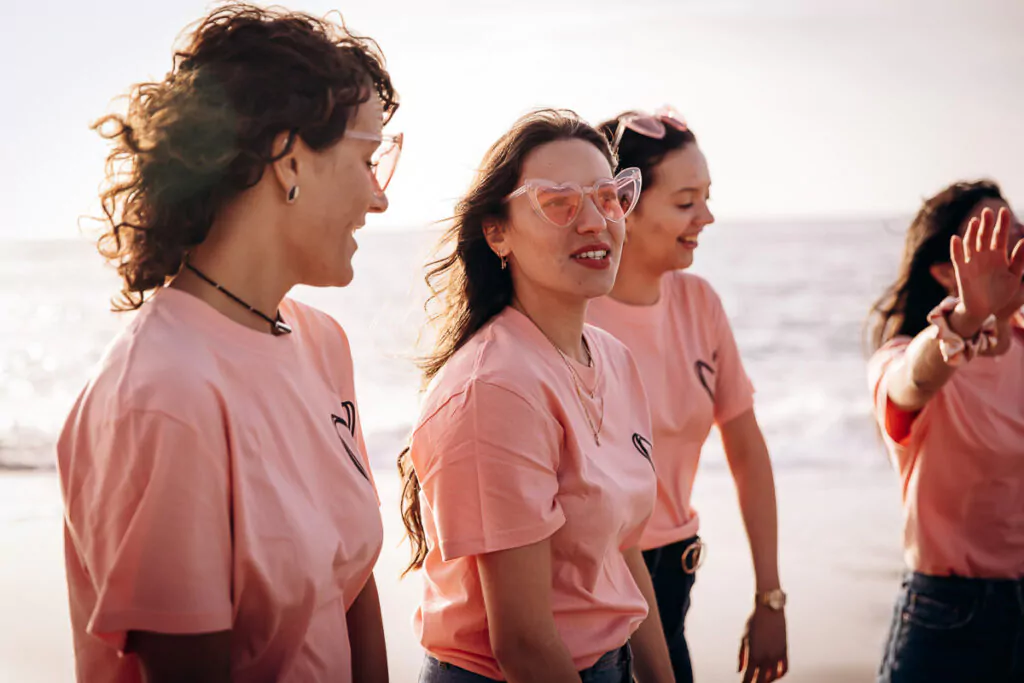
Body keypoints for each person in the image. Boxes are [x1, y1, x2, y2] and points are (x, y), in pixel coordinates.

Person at [56, 4, 401, 681]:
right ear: (288, 156)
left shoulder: (323, 341)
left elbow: (350, 584)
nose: (380, 197)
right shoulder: (165, 393)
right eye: (368, 159)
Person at [397, 109, 674, 683]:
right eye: (558, 203)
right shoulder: (495, 389)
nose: (596, 222)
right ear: (498, 232)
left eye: (609, 197)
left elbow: (619, 552)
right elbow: (523, 644)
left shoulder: (611, 357)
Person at [587, 107, 789, 683]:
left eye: (706, 197)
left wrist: (769, 597)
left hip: (676, 576)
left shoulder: (700, 303)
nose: (707, 216)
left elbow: (747, 451)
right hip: (591, 588)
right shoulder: (571, 312)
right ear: (619, 203)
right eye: (685, 203)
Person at [867, 181, 1024, 683]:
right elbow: (911, 380)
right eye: (996, 233)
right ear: (943, 271)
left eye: (1017, 225)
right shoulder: (905, 357)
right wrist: (968, 316)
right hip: (948, 614)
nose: (1018, 238)